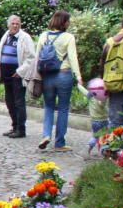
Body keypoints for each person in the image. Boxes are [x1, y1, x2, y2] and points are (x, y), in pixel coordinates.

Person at [35, 10, 87, 152]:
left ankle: (46, 135)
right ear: (64, 22)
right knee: (63, 109)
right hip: (64, 75)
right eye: (68, 20)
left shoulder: (43, 36)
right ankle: (59, 143)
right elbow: (72, 57)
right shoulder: (68, 37)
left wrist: (36, 76)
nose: (69, 23)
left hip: (47, 77)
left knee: (49, 107)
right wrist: (78, 76)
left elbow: (37, 57)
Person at [0, 15, 36, 139]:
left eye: (17, 23)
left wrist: (20, 71)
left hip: (18, 75)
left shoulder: (25, 38)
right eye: (13, 23)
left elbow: (31, 57)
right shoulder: (6, 36)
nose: (15, 25)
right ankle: (14, 126)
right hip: (6, 74)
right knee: (9, 101)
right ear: (8, 25)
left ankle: (21, 129)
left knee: (19, 102)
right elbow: (2, 53)